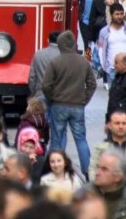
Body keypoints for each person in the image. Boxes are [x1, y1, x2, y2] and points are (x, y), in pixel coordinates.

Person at [42, 30, 96, 176]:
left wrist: (53, 98)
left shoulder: (55, 62)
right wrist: (84, 99)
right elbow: (92, 84)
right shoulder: (83, 62)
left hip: (58, 105)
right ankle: (87, 171)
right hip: (77, 106)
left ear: (59, 44)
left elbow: (46, 86)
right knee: (80, 139)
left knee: (57, 138)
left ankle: (53, 169)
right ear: (73, 44)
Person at [89, 148, 126, 219]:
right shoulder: (84, 201)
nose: (97, 173)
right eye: (98, 167)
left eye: (104, 169)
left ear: (118, 177)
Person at [29, 31, 60, 99]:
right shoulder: (64, 56)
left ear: (48, 40)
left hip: (41, 94)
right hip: (59, 97)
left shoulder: (38, 54)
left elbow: (32, 77)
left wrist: (33, 93)